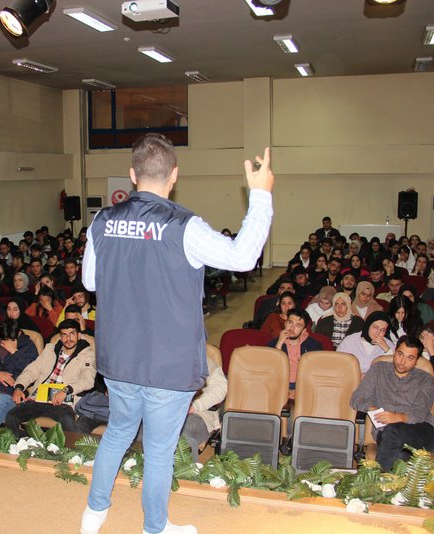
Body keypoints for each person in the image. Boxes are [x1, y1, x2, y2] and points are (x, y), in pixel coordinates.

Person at [81, 134, 273, 534]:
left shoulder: (102, 221)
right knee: (158, 449)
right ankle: (154, 527)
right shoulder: (185, 227)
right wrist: (260, 195)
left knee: (118, 432)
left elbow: (90, 281)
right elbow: (243, 257)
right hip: (167, 364)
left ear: (133, 174)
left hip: (119, 357)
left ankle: (94, 513)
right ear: (174, 175)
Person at [350, 336, 434, 472]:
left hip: (420, 431)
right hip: (386, 434)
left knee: (392, 430)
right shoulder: (378, 370)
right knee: (400, 455)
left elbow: (420, 412)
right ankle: (382, 481)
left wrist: (397, 417)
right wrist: (373, 408)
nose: (402, 362)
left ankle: (375, 478)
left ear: (417, 361)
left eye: (410, 358)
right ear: (395, 352)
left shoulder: (425, 379)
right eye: (400, 354)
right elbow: (356, 398)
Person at [4, 319, 96, 436]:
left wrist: (66, 391)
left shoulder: (87, 356)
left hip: (63, 402)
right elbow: (32, 370)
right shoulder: (50, 350)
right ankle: (26, 443)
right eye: (64, 335)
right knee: (11, 417)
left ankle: (66, 448)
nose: (68, 338)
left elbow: (87, 380)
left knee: (68, 420)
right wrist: (19, 388)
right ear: (60, 337)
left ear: (78, 335)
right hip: (39, 398)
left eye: (72, 334)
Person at [180, 353, 227, 463]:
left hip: (198, 412)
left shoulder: (203, 360)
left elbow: (221, 389)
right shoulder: (159, 358)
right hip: (163, 409)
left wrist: (194, 406)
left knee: (187, 427)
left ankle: (186, 470)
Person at [268, 309, 321, 395]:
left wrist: (298, 389)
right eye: (290, 323)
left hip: (303, 386)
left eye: (298, 325)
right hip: (278, 384)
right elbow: (269, 369)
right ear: (285, 323)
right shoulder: (273, 343)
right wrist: (279, 344)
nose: (292, 328)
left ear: (303, 331)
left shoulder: (313, 346)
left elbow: (315, 374)